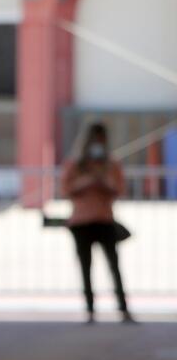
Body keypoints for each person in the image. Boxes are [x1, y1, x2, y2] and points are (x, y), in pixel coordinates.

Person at [60, 123, 132, 322]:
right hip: (81, 222)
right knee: (85, 266)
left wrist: (103, 181)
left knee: (114, 266)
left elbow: (119, 188)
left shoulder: (111, 164)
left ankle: (123, 308)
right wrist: (87, 181)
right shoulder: (75, 164)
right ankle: (90, 310)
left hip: (105, 220)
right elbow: (65, 189)